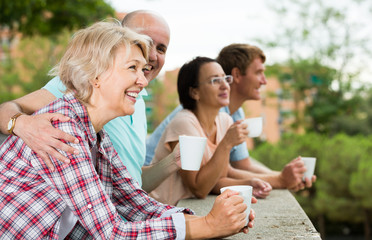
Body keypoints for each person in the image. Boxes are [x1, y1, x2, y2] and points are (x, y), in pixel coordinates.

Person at [0, 21, 256, 239]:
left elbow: (136, 203)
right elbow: (112, 233)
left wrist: (219, 217)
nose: (143, 81)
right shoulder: (63, 129)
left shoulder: (98, 136)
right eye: (132, 68)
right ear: (95, 75)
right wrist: (208, 226)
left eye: (143, 70)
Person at [0, 10, 177, 191]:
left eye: (161, 48)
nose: (153, 55)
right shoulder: (84, 83)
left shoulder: (135, 101)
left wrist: (175, 161)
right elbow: (5, 110)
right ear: (119, 38)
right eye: (145, 41)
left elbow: (132, 185)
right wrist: (23, 125)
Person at [145, 43, 316, 192]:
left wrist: (284, 178)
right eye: (258, 73)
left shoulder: (227, 117)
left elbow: (229, 171)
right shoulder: (189, 117)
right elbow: (199, 187)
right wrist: (280, 179)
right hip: (153, 184)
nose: (264, 81)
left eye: (225, 79)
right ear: (237, 74)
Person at [147, 56, 271, 205]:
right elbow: (198, 189)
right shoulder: (184, 123)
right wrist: (226, 144)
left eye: (225, 79)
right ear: (194, 92)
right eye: (215, 81)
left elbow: (218, 178)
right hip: (161, 211)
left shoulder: (224, 120)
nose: (225, 85)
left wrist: (249, 182)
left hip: (186, 209)